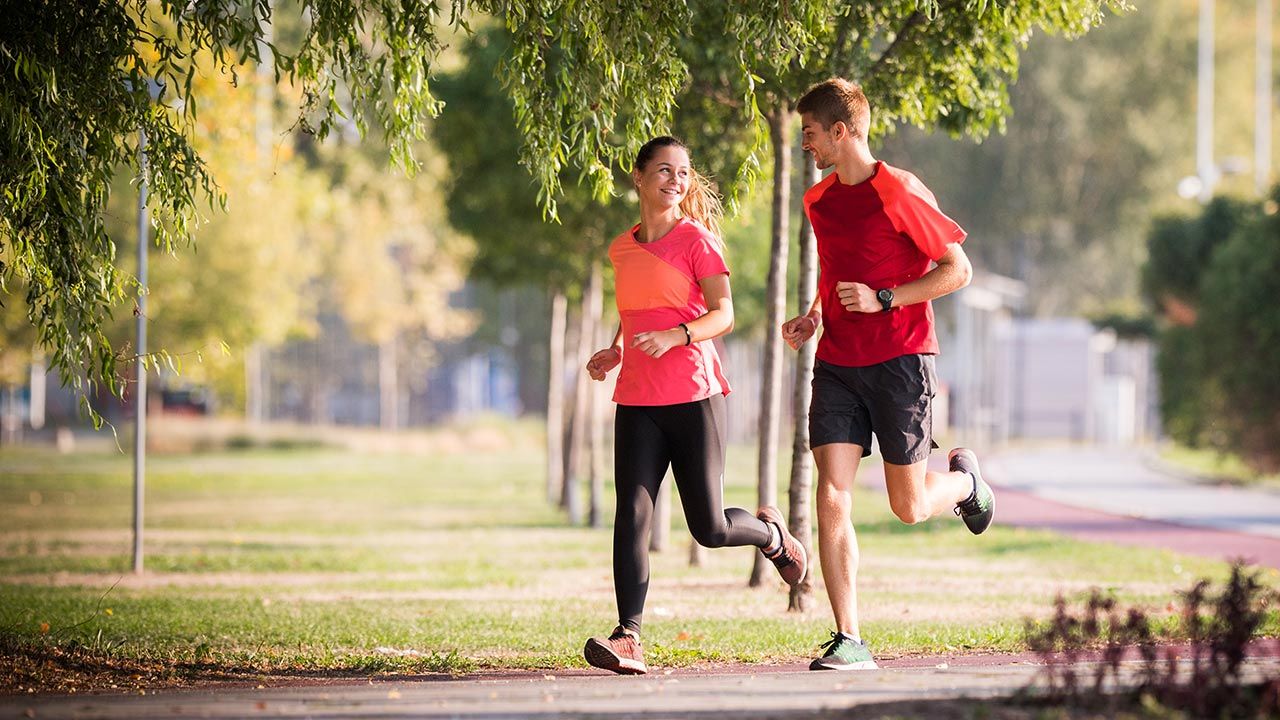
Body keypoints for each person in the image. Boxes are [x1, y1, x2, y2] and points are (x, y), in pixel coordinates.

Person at [781, 78, 995, 672]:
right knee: (831, 494)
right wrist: (814, 317)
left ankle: (967, 485)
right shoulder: (818, 200)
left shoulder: (899, 191)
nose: (807, 144)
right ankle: (848, 637)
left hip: (902, 360)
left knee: (909, 506)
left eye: (812, 133)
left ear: (841, 132)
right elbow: (834, 271)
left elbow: (959, 269)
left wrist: (885, 297)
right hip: (838, 365)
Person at [581, 136, 807, 676]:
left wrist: (679, 336)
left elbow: (723, 315)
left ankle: (773, 537)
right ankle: (628, 635)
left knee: (708, 526)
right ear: (638, 177)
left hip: (694, 394)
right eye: (663, 171)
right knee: (631, 513)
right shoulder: (621, 247)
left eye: (682, 173)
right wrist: (615, 347)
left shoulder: (696, 240)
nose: (675, 181)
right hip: (636, 396)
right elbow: (637, 309)